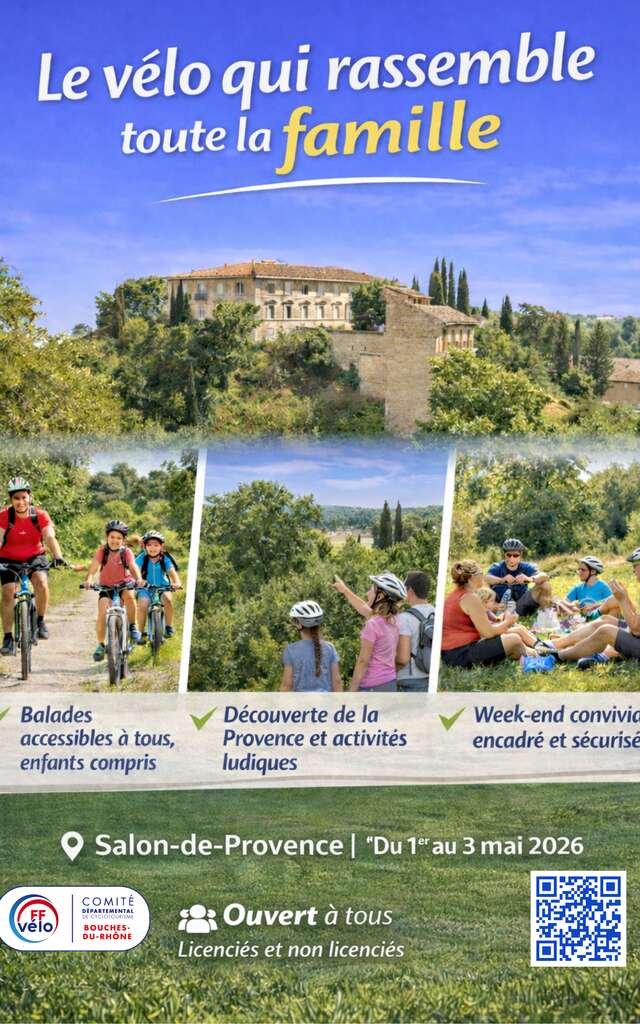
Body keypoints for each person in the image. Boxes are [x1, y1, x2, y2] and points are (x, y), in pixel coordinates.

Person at [539, 548, 640, 671]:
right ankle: (557, 644)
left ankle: (560, 655)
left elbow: (636, 629)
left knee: (606, 630)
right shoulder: (579, 587)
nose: (633, 570)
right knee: (606, 620)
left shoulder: (601, 586)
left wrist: (623, 599)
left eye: (635, 565)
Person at [0, 476, 65, 655]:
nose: (20, 502)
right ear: (11, 499)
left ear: (30, 497)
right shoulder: (4, 516)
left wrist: (57, 555)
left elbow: (49, 536)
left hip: (35, 557)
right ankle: (7, 638)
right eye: (16, 498)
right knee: (7, 593)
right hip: (8, 559)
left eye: (23, 497)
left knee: (42, 582)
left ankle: (41, 620)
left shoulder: (40, 515)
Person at [442, 560, 536, 669]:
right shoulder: (469, 598)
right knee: (514, 639)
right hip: (460, 655)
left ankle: (539, 653)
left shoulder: (456, 595)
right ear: (472, 576)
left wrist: (503, 624)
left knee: (513, 638)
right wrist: (507, 622)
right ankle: (540, 655)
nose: (483, 576)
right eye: (481, 572)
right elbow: (488, 633)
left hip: (453, 652)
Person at [333, 571, 407, 692]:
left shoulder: (373, 624)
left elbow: (363, 661)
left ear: (380, 596)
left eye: (371, 590)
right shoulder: (395, 620)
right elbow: (363, 607)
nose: (367, 593)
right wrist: (345, 590)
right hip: (390, 683)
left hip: (372, 686)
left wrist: (352, 691)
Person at [82, 520, 143, 662]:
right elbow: (94, 567)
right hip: (106, 587)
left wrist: (139, 579)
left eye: (119, 538)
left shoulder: (126, 552)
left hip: (124, 585)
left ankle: (133, 626)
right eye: (112, 537)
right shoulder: (102, 551)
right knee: (102, 612)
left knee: (129, 596)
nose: (115, 541)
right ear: (107, 537)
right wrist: (89, 579)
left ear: (123, 540)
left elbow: (133, 566)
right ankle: (101, 645)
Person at [281, 600, 342, 693]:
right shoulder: (329, 648)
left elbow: (287, 684)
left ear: (298, 624)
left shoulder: (291, 650)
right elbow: (337, 681)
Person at [135, 531, 182, 642]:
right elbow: (135, 569)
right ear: (145, 546)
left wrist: (176, 582)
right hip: (145, 588)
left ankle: (169, 627)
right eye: (149, 545)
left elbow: (171, 571)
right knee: (142, 605)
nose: (153, 548)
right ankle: (140, 634)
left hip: (162, 587)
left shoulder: (164, 558)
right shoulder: (142, 558)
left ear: (161, 546)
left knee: (168, 600)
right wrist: (138, 580)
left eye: (156, 545)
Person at [486, 539, 552, 616]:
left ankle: (547, 615)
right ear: (504, 555)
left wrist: (529, 579)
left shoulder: (526, 566)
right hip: (501, 606)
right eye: (509, 555)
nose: (512, 559)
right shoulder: (497, 567)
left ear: (521, 555)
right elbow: (486, 578)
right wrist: (502, 580)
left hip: (521, 605)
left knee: (545, 585)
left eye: (515, 555)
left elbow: (545, 576)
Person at [395, 570, 435, 693]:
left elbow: (403, 658)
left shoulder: (405, 618)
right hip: (432, 677)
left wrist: (389, 671)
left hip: (410, 680)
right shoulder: (436, 612)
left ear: (410, 591)